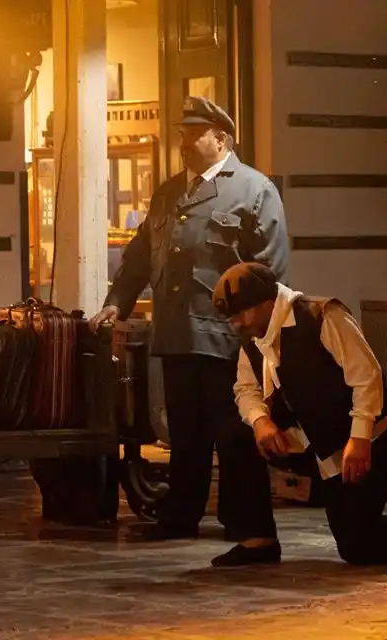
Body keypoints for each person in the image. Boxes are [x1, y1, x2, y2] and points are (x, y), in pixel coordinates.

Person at [90, 96, 290, 556]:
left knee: (234, 430)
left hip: (227, 337)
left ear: (221, 138)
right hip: (177, 333)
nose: (182, 141)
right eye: (181, 132)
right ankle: (181, 514)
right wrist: (117, 303)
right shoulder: (167, 193)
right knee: (184, 434)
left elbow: (270, 269)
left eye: (193, 132)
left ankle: (244, 521)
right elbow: (139, 258)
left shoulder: (254, 190)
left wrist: (256, 330)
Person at [213, 262, 387, 566]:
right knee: (235, 436)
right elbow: (245, 389)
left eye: (240, 314)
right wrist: (261, 421)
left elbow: (366, 377)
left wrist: (360, 437)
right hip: (314, 444)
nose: (236, 323)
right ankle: (258, 540)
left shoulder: (321, 316)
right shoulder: (253, 337)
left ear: (266, 303)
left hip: (365, 439)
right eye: (231, 317)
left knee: (358, 547)